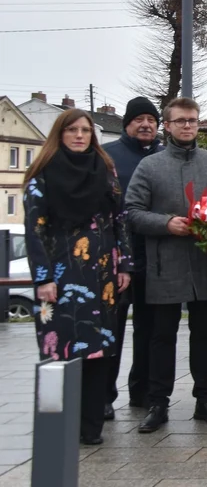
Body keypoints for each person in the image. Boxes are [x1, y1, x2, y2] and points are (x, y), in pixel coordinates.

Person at [125, 97, 207, 433]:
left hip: (206, 264)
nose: (187, 126)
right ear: (168, 126)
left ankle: (206, 399)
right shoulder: (150, 166)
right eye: (180, 121)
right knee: (162, 337)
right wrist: (166, 224)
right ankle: (158, 403)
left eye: (192, 120)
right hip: (165, 265)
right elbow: (131, 211)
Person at [23, 109, 132, 445]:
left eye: (85, 130)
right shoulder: (41, 177)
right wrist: (43, 279)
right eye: (72, 130)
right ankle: (62, 426)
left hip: (103, 275)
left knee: (100, 350)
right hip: (60, 275)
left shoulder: (105, 171)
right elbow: (34, 232)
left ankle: (92, 426)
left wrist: (125, 263)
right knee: (62, 350)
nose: (80, 136)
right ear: (60, 134)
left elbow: (120, 218)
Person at [102, 96, 163, 417]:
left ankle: (142, 391)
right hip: (118, 259)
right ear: (127, 124)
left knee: (150, 329)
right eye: (139, 119)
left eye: (151, 120)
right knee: (112, 328)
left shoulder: (164, 156)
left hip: (156, 257)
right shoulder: (107, 157)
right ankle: (105, 396)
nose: (146, 124)